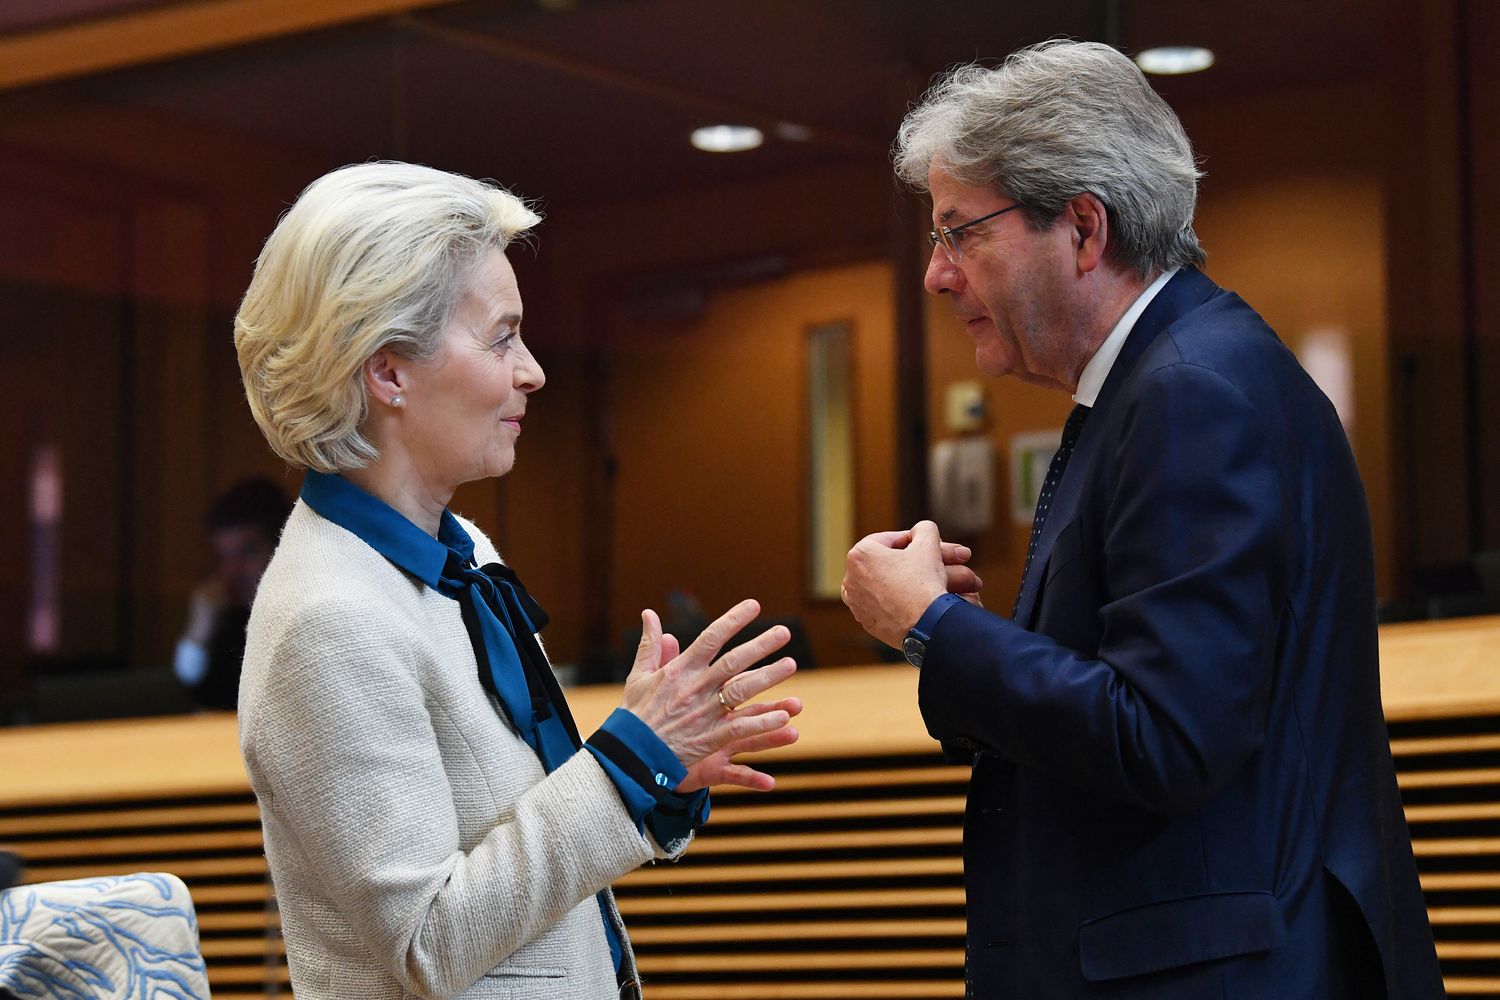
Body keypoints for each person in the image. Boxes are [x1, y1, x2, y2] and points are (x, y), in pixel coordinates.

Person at [841, 41, 1442, 999]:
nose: (937, 276)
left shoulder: (1189, 392)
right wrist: (952, 639)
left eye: (960, 234)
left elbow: (1164, 739)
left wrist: (934, 625)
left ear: (1082, 227)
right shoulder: (1166, 378)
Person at [233, 161, 802, 1000]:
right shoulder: (331, 618)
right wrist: (625, 762)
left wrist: (655, 771)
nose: (531, 370)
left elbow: (525, 839)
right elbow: (427, 944)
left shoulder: (462, 548)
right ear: (387, 371)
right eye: (502, 337)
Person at [173, 478, 292, 710]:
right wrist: (200, 628)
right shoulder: (225, 614)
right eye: (223, 557)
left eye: (246, 552)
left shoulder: (300, 613)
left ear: (280, 546)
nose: (232, 571)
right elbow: (188, 687)